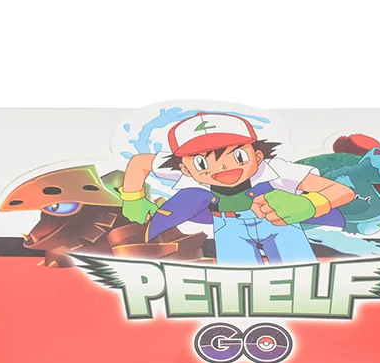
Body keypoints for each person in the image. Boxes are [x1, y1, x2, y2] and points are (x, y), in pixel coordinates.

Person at [118, 112, 354, 265]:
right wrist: (133, 197)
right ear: (186, 169)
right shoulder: (181, 170)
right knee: (238, 278)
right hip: (228, 226)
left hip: (277, 223)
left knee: (299, 269)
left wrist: (310, 204)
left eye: (238, 156)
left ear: (258, 155)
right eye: (202, 162)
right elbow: (140, 163)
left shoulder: (277, 169)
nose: (222, 166)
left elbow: (342, 192)